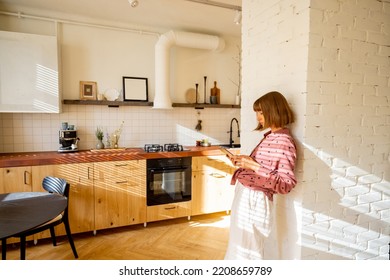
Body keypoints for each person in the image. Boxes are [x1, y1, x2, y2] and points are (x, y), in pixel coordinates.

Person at [224, 91, 297, 260]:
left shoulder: (285, 141)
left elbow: (286, 184)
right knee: (239, 248)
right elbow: (262, 167)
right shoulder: (270, 137)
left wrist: (253, 165)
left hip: (255, 199)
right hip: (245, 194)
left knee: (249, 252)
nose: (257, 117)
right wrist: (245, 161)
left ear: (274, 110)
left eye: (261, 112)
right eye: (257, 112)